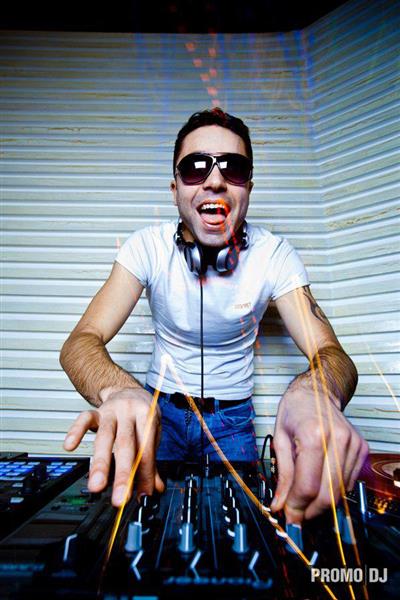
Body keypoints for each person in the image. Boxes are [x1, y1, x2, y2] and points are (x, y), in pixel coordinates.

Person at [60, 108, 369, 524]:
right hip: (156, 414)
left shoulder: (275, 256)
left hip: (232, 423)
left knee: (243, 524)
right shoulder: (146, 248)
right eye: (196, 167)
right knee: (146, 524)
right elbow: (81, 341)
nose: (214, 180)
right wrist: (119, 391)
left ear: (248, 189)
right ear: (175, 189)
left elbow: (330, 353)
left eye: (232, 167)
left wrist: (315, 394)